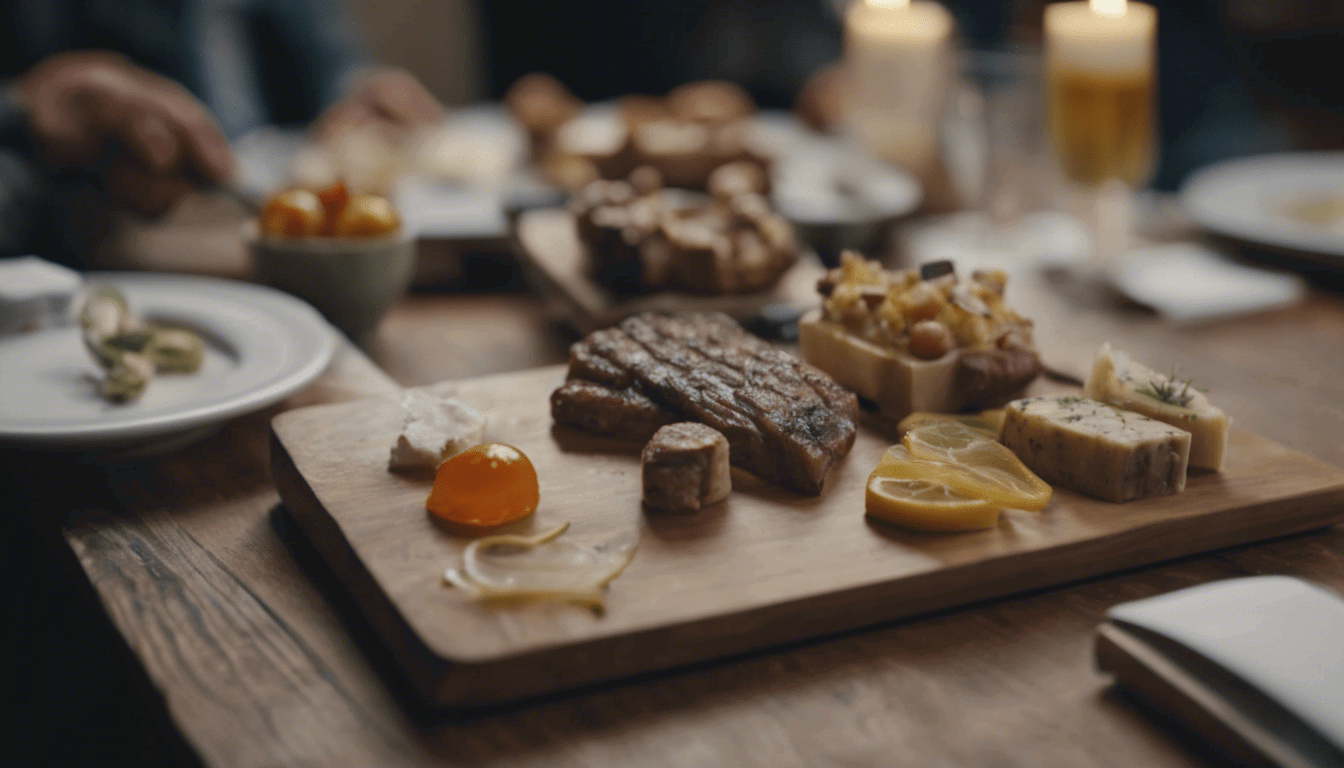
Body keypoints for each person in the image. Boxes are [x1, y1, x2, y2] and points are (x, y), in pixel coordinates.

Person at [0, 0, 443, 259]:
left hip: (257, 221)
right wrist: (23, 113)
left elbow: (325, 57)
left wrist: (354, 87)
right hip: (113, 251)